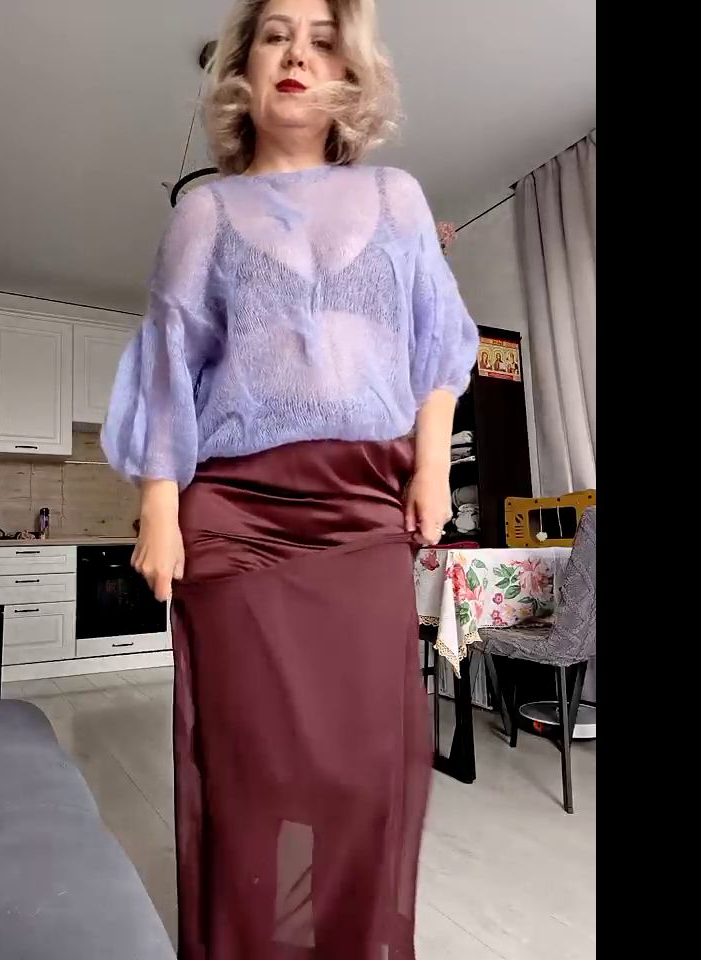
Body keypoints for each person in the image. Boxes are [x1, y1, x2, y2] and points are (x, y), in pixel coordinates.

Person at [102, 0, 477, 956]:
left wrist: (432, 469)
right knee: (253, 765)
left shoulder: (396, 197)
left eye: (321, 40)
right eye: (276, 36)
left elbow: (440, 344)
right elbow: (169, 368)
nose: (297, 55)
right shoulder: (203, 213)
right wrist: (158, 508)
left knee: (365, 764)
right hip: (235, 514)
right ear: (244, 67)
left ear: (350, 73)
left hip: (361, 507)